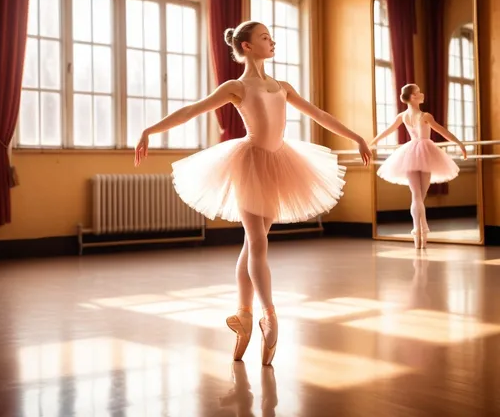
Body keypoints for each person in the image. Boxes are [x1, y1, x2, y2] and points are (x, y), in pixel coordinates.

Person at [135, 21, 371, 365]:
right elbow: (191, 110)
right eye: (264, 37)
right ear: (247, 46)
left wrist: (356, 136)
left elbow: (318, 114)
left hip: (279, 165)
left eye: (270, 37)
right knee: (257, 241)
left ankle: (243, 315)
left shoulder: (283, 86)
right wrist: (149, 129)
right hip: (247, 164)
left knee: (251, 245)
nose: (272, 41)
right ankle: (269, 315)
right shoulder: (236, 87)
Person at [369, 83, 467, 249]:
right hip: (425, 152)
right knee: (420, 197)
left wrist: (372, 142)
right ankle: (422, 233)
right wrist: (459, 143)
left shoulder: (402, 116)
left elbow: (387, 131)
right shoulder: (425, 115)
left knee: (416, 196)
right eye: (418, 92)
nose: (422, 94)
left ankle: (418, 231)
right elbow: (443, 131)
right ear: (413, 97)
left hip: (409, 152)